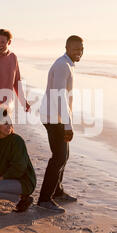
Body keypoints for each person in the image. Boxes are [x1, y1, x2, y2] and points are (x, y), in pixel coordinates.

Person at [37, 35, 84, 213]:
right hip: (53, 118)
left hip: (57, 117)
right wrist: (68, 125)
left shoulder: (68, 64)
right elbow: (59, 96)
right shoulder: (62, 65)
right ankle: (44, 199)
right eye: (75, 49)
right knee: (58, 157)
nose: (79, 52)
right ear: (66, 47)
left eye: (81, 49)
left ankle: (57, 192)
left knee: (63, 156)